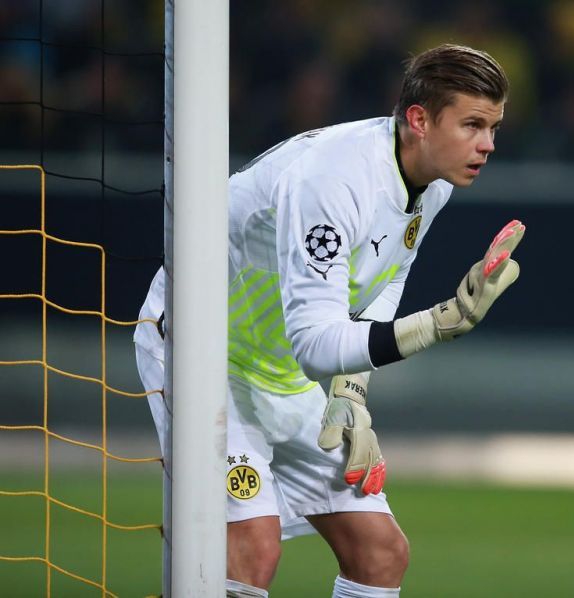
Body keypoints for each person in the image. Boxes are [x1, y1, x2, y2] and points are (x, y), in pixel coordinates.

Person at [134, 43, 524, 598]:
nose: (487, 144)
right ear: (419, 119)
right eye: (473, 125)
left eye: (494, 128)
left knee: (380, 552)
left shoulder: (432, 179)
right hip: (202, 354)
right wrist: (439, 324)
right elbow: (317, 343)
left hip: (281, 370)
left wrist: (350, 393)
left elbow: (384, 279)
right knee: (253, 546)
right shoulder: (333, 180)